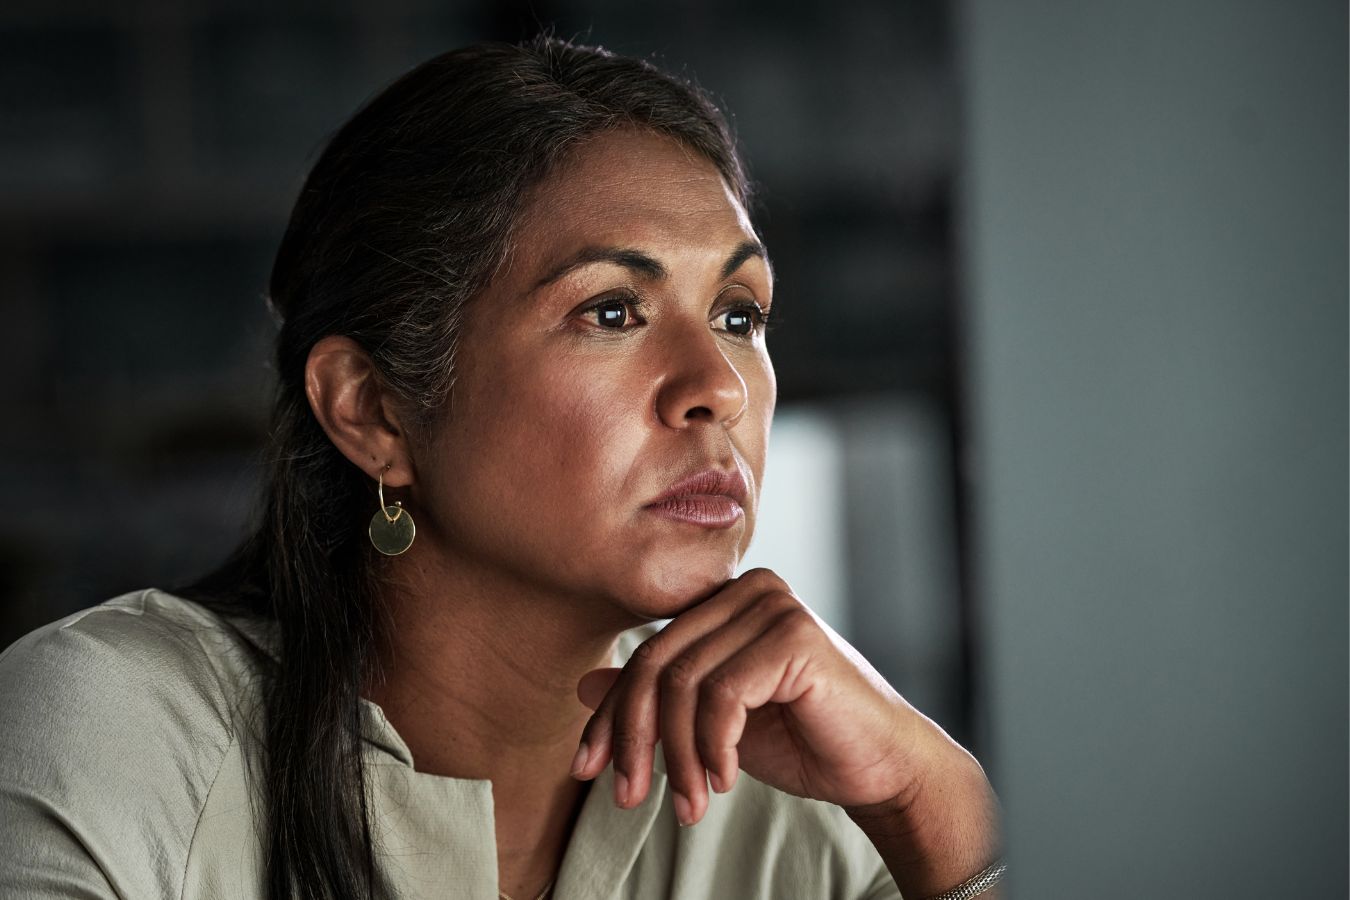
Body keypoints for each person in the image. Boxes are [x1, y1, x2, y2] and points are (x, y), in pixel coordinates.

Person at [0, 35, 1003, 900]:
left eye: (739, 316)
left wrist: (941, 809)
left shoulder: (806, 816)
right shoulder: (110, 734)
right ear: (373, 409)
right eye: (612, 311)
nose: (720, 388)